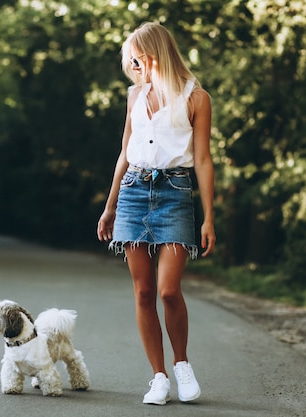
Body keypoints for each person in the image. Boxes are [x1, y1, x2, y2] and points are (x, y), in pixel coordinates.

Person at [97, 22, 216, 405]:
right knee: (144, 292)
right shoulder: (134, 96)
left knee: (168, 290)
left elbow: (202, 159)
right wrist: (110, 204)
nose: (133, 66)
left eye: (137, 57)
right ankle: (159, 377)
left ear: (154, 54)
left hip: (175, 192)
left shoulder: (196, 98)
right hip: (133, 191)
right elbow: (124, 152)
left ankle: (181, 364)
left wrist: (209, 216)